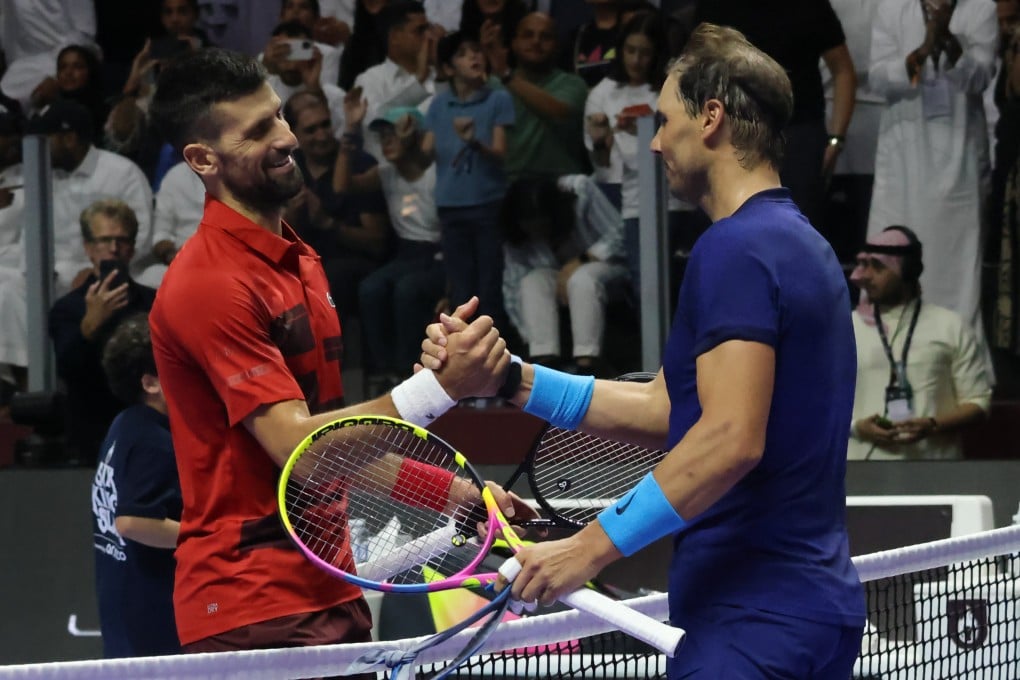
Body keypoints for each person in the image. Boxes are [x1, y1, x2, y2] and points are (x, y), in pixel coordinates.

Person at [422, 23, 866, 678]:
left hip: (755, 621)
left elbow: (728, 439)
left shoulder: (736, 248)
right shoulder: (798, 244)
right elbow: (668, 407)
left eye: (664, 119)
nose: (654, 141)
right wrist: (510, 377)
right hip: (798, 612)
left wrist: (588, 549)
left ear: (711, 117)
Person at [146, 47, 526, 654]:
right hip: (251, 605)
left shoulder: (300, 259)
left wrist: (448, 492)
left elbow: (331, 446)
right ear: (201, 159)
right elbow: (303, 454)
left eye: (278, 116)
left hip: (330, 591)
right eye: (258, 130)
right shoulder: (208, 283)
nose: (287, 138)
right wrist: (440, 388)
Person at [867, 0, 996, 340]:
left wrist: (950, 42)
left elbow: (982, 75)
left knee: (959, 257)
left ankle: (959, 352)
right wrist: (922, 50)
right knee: (894, 248)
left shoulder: (980, 7)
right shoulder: (892, 8)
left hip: (959, 154)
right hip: (903, 155)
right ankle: (888, 348)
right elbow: (878, 77)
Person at [848, 226, 992, 460]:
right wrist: (856, 427)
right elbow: (818, 402)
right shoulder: (845, 328)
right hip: (861, 466)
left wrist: (933, 425)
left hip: (934, 469)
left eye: (878, 267)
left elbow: (978, 403)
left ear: (906, 271)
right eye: (865, 266)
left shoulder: (950, 326)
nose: (866, 276)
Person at [334, 105, 446, 394]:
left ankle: (408, 370)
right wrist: (349, 133)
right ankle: (383, 372)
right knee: (370, 288)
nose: (388, 141)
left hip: (439, 254)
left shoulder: (437, 172)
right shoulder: (386, 173)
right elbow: (341, 187)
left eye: (394, 133)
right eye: (382, 136)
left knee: (406, 291)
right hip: (406, 254)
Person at [91, 313, 181, 658]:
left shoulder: (124, 425)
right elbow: (133, 522)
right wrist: (207, 537)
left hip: (124, 611)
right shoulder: (152, 440)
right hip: (154, 620)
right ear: (150, 382)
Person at [49, 200, 157, 465]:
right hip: (92, 433)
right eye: (104, 240)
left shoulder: (155, 303)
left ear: (131, 248)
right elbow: (67, 369)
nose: (113, 248)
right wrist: (89, 325)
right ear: (88, 248)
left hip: (148, 428)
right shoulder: (68, 308)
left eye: (121, 240)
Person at [422, 30, 515, 327]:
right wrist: (407, 136)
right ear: (448, 69)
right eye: (463, 53)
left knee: (489, 287)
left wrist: (475, 141)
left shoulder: (498, 99)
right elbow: (426, 153)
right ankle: (465, 358)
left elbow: (501, 152)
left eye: (476, 50)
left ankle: (498, 359)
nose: (474, 57)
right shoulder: (438, 105)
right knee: (460, 289)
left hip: (488, 204)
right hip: (450, 206)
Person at [500, 175, 629, 374]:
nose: (537, 231)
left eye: (541, 224)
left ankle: (588, 365)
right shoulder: (516, 234)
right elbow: (512, 287)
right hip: (558, 280)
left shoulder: (581, 191)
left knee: (582, 278)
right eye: (529, 225)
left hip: (610, 267)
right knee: (532, 282)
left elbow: (621, 234)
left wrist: (581, 260)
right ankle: (544, 363)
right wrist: (528, 336)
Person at [25, 98, 154, 294]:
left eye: (46, 140)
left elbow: (142, 234)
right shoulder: (44, 177)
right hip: (54, 274)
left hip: (116, 270)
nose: (42, 149)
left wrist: (99, 268)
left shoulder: (121, 172)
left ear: (69, 139)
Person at [488, 12, 590, 181]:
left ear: (557, 46)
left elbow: (558, 112)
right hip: (508, 189)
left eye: (545, 37)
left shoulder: (573, 84)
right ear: (513, 44)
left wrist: (507, 76)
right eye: (528, 35)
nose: (536, 41)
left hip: (561, 188)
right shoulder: (493, 86)